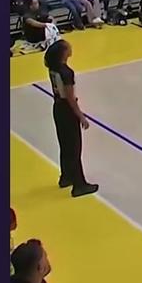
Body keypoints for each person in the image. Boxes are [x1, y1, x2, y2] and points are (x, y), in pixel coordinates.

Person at [45, 40, 98, 197]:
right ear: (63, 53)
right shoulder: (66, 72)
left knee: (65, 146)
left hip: (57, 108)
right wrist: (81, 116)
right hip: (67, 111)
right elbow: (69, 97)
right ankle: (79, 185)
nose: (71, 48)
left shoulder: (53, 67)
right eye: (68, 47)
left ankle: (66, 177)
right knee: (74, 148)